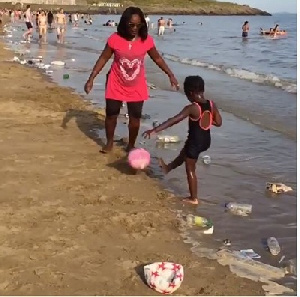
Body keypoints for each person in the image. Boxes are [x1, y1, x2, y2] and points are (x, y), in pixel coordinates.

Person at [84, 7, 179, 153]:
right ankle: (109, 143)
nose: (135, 28)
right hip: (115, 82)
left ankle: (131, 144)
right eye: (131, 25)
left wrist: (170, 75)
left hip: (137, 85)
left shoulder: (146, 41)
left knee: (135, 117)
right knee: (111, 114)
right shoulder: (115, 39)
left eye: (138, 25)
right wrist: (91, 79)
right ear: (124, 23)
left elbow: (158, 59)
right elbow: (103, 58)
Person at [143, 76, 222, 205]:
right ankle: (168, 168)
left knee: (190, 168)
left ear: (190, 93)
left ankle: (193, 198)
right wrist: (207, 119)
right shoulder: (212, 104)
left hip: (195, 142)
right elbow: (219, 123)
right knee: (184, 154)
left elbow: (174, 120)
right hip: (206, 141)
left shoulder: (192, 108)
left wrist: (155, 130)